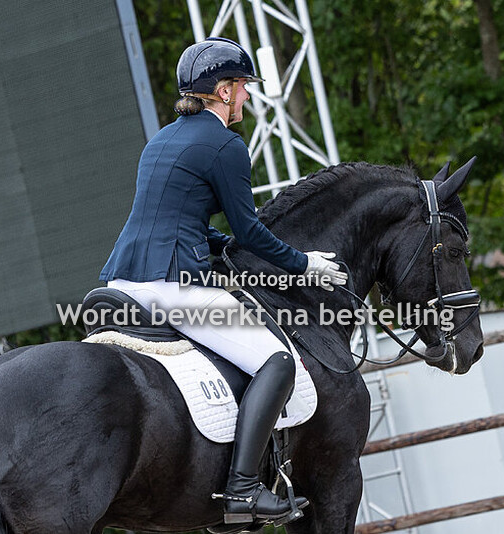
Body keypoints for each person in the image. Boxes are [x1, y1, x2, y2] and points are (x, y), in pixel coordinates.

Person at [99, 37, 347, 524]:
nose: (249, 98)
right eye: (244, 88)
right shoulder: (226, 145)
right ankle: (243, 491)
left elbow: (174, 219)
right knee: (277, 362)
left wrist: (219, 247)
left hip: (122, 281)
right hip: (172, 287)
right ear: (225, 90)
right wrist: (304, 265)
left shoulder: (162, 139)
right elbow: (250, 229)